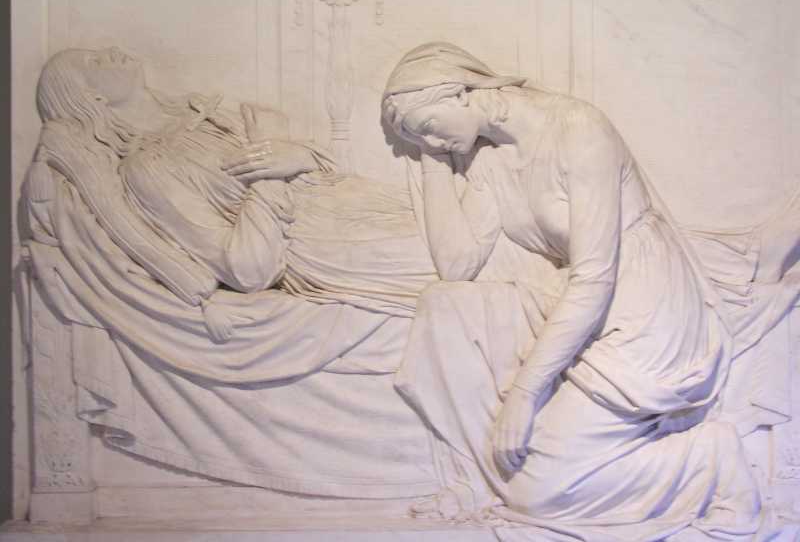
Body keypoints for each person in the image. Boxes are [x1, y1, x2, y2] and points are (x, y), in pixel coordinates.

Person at [382, 42, 797, 539]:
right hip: (580, 306)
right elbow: (456, 264)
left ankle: (710, 460)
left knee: (539, 493)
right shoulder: (488, 161)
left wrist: (525, 392)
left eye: (429, 125)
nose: (431, 140)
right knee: (448, 310)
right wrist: (433, 158)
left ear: (461, 91)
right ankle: (499, 470)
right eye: (419, 137)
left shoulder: (577, 128)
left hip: (644, 309)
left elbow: (596, 275)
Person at [33, 47, 439, 341]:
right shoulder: (148, 170)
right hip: (326, 244)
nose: (110, 52)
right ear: (93, 98)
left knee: (469, 230)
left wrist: (297, 154)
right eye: (94, 63)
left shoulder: (205, 116)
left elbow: (316, 164)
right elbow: (248, 270)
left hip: (356, 201)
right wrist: (270, 169)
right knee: (459, 260)